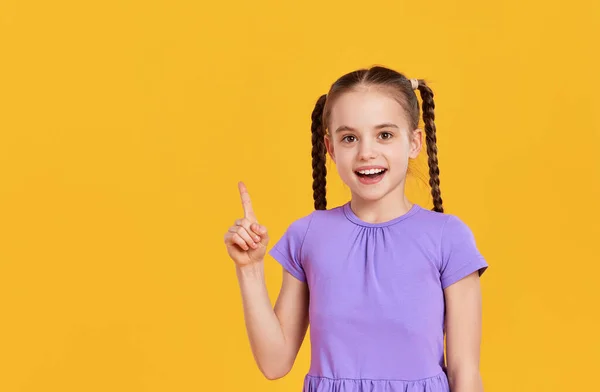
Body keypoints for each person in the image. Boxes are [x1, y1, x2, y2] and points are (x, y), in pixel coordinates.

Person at [224, 65, 489, 392]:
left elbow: (465, 372)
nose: (366, 152)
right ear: (331, 149)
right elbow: (274, 363)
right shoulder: (307, 236)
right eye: (349, 138)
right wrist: (249, 270)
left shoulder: (448, 238)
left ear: (414, 142)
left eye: (385, 135)